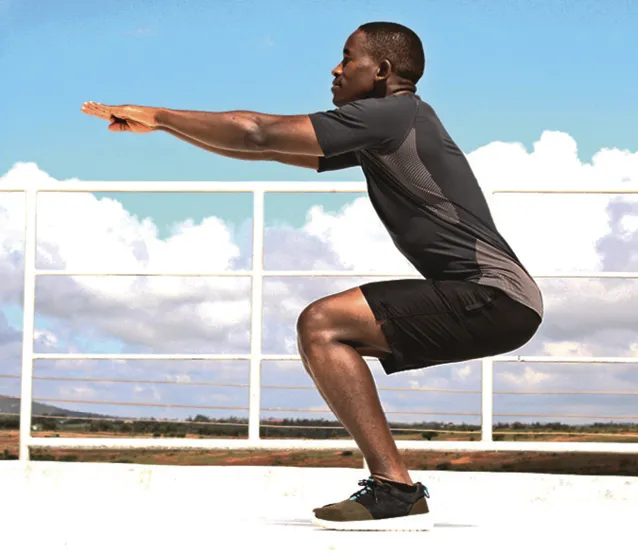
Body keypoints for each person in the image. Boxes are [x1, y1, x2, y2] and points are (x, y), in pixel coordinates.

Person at [81, 21, 544, 531]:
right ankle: (394, 488)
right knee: (323, 328)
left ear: (382, 70)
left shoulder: (394, 114)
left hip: (494, 296)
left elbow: (256, 131)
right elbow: (265, 147)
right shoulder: (388, 126)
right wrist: (169, 128)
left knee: (322, 324)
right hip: (497, 301)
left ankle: (395, 490)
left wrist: (162, 113)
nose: (336, 68)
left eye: (347, 58)